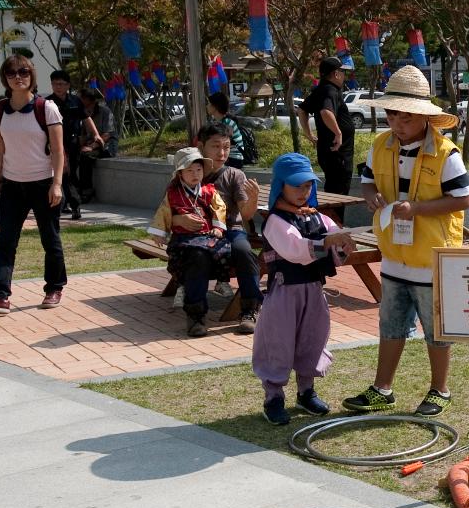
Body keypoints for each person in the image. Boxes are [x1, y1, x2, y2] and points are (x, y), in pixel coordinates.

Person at [342, 66, 469, 417]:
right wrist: (370, 195)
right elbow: (367, 181)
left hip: (432, 256)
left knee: (437, 330)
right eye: (391, 114)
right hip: (394, 254)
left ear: (425, 117)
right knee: (391, 323)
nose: (397, 123)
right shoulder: (380, 145)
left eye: (406, 117)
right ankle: (382, 388)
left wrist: (416, 208)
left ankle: (439, 389)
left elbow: (462, 199)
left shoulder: (446, 153)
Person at [252, 153, 354, 425]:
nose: (303, 191)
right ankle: (273, 397)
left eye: (308, 185)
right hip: (285, 291)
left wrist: (342, 245)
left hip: (313, 289)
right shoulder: (275, 220)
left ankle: (306, 391)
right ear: (280, 186)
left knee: (313, 338)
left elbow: (335, 241)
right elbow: (294, 250)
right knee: (278, 342)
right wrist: (330, 241)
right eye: (296, 185)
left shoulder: (318, 217)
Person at [0, 55, 68, 315]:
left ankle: (54, 287)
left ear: (31, 75)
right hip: (13, 185)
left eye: (23, 72)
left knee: (50, 238)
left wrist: (56, 184)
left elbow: (58, 150)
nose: (18, 77)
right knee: (5, 240)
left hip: (43, 183)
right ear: (5, 78)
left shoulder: (46, 108)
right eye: (12, 73)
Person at [148, 147, 230, 338]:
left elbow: (220, 208)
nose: (195, 174)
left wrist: (218, 228)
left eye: (198, 170)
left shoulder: (209, 191)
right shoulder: (173, 193)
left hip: (207, 236)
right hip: (183, 239)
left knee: (223, 250)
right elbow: (164, 212)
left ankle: (221, 281)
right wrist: (160, 232)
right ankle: (191, 306)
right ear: (179, 173)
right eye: (189, 171)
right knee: (193, 255)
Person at [197, 124, 264, 333]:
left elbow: (245, 214)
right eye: (216, 146)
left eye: (226, 147)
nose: (222, 152)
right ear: (201, 146)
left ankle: (250, 309)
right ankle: (196, 315)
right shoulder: (190, 172)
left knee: (244, 252)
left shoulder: (235, 175)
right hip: (199, 232)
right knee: (195, 255)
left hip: (231, 230)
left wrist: (253, 199)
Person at [46, 71, 98, 220]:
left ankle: (66, 204)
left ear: (68, 85)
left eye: (61, 84)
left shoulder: (75, 101)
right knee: (64, 174)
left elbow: (86, 118)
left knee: (70, 173)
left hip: (73, 142)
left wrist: (96, 135)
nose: (58, 87)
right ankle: (73, 205)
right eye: (55, 84)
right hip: (55, 144)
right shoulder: (48, 103)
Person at [299, 57, 355, 195]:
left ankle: (331, 217)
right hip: (337, 154)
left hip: (328, 153)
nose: (344, 76)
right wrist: (338, 133)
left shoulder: (321, 89)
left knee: (333, 191)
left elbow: (302, 109)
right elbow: (326, 111)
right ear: (336, 74)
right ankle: (333, 218)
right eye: (343, 72)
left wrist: (309, 133)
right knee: (338, 194)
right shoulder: (331, 91)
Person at [77, 87, 118, 203]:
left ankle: (87, 190)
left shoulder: (105, 112)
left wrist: (91, 147)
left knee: (85, 156)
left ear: (90, 100)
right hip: (90, 143)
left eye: (81, 98)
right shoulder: (82, 113)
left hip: (106, 145)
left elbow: (107, 135)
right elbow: (83, 135)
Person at [207, 92, 246, 170]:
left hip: (233, 159)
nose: (207, 106)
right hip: (226, 157)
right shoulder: (219, 121)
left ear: (215, 106)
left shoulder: (228, 122)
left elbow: (225, 143)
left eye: (209, 104)